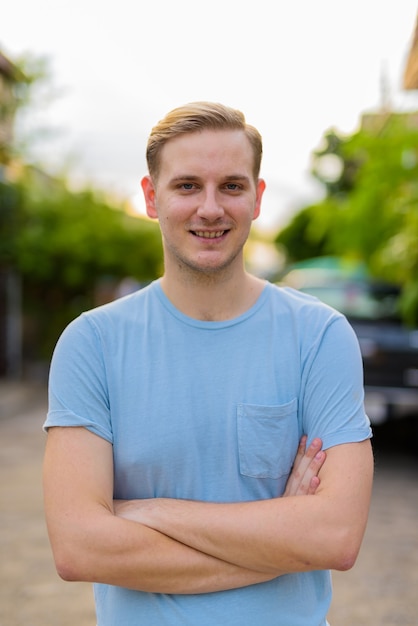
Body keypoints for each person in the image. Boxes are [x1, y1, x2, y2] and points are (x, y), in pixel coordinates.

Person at [43, 101, 373, 626]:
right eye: (188, 185)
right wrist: (281, 540)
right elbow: (80, 549)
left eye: (232, 186)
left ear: (258, 197)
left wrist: (149, 512)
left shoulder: (320, 337)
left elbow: (334, 537)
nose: (211, 208)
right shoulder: (92, 343)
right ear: (152, 198)